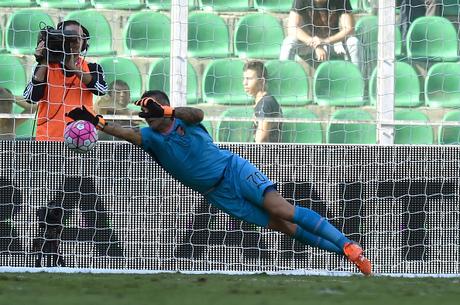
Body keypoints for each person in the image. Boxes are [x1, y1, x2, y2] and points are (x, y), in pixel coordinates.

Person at [65, 90, 372, 275]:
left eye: (152, 111)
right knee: (286, 228)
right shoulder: (150, 139)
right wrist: (95, 120)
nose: (147, 117)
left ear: (165, 108)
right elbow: (123, 132)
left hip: (234, 170)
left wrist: (167, 110)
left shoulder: (185, 120)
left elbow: (196, 112)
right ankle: (347, 254)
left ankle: (348, 243)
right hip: (218, 194)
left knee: (284, 209)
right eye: (145, 113)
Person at [23, 20, 107, 141]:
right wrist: (44, 60)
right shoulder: (46, 67)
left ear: (84, 43)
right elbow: (30, 97)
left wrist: (74, 68)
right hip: (47, 142)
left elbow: (101, 89)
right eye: (69, 38)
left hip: (81, 142)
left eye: (77, 38)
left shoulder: (92, 68)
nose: (74, 42)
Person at [279, 0, 361, 67]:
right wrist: (315, 44)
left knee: (353, 42)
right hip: (308, 44)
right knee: (289, 42)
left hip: (332, 43)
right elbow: (292, 28)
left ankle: (358, 82)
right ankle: (283, 81)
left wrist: (325, 41)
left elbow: (349, 29)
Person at [243, 61, 283, 143]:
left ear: (262, 81)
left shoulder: (265, 104)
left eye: (249, 79)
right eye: (244, 78)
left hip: (266, 154)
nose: (244, 83)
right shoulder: (264, 101)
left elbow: (261, 139)